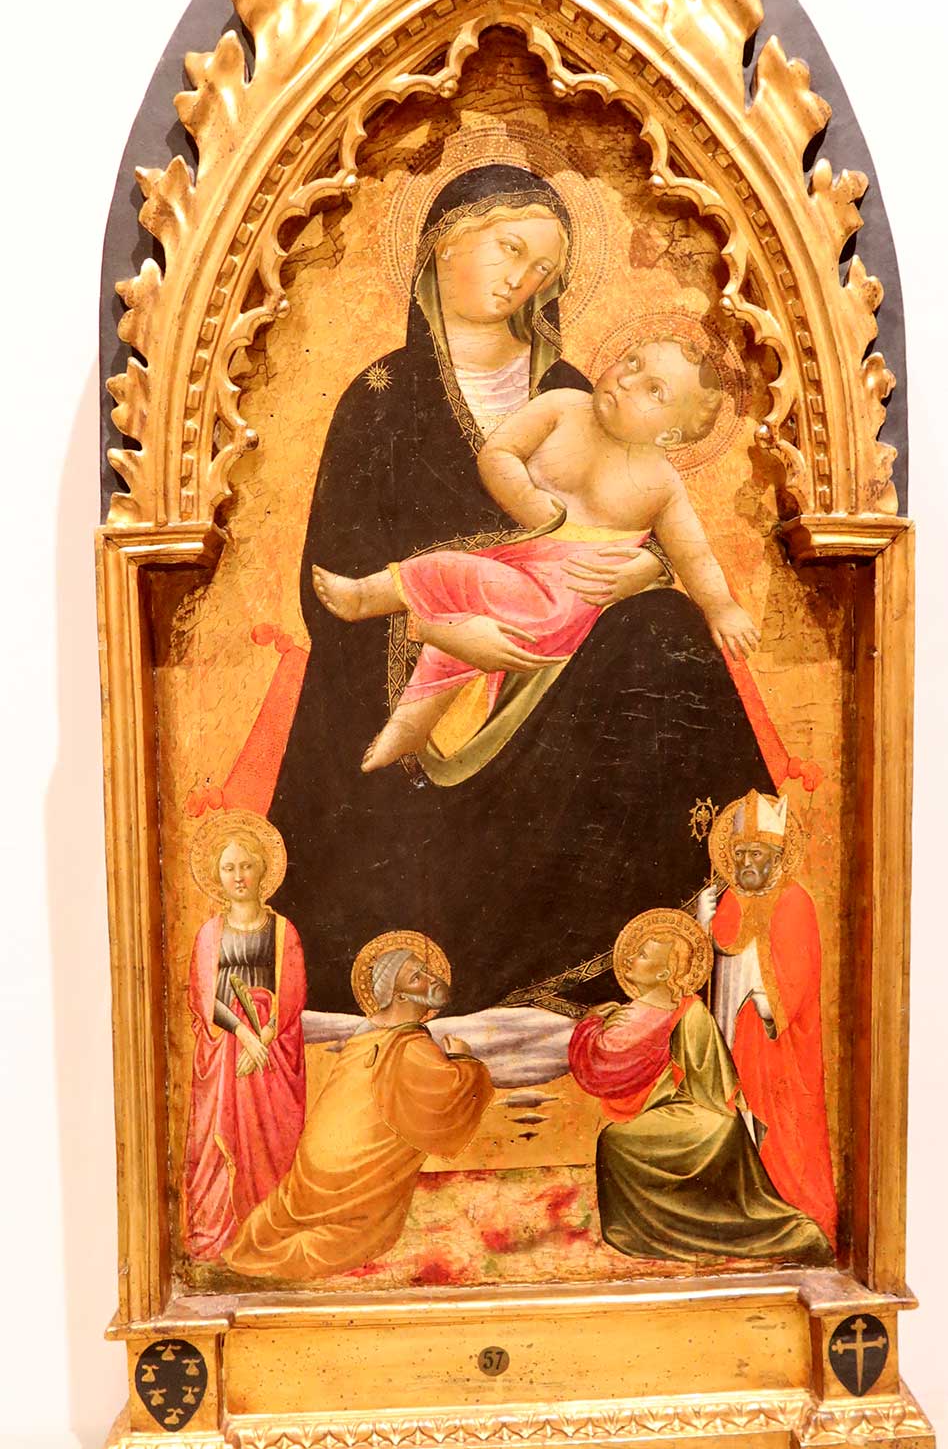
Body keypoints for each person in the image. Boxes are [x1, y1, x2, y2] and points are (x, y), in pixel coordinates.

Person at [267, 163, 775, 1014]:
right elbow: (332, 572)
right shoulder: (381, 398)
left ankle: (698, 913)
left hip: (559, 665)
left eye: (543, 269)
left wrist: (647, 571)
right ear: (442, 241)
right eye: (510, 249)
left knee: (667, 630)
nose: (521, 280)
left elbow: (642, 522)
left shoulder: (571, 388)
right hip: (424, 669)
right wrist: (443, 632)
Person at [314, 337, 759, 769]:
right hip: (518, 562)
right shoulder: (563, 406)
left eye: (654, 390)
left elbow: (693, 555)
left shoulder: (662, 485)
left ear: (672, 434)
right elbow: (499, 452)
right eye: (632, 362)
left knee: (450, 572)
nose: (626, 380)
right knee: (458, 629)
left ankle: (366, 598)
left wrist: (720, 606)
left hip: (558, 602)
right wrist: (526, 499)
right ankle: (411, 727)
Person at [568, 909, 831, 1263]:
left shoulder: (688, 1014)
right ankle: (651, 1227)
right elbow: (610, 1068)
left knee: (615, 1140)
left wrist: (589, 1026)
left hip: (703, 1118)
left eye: (642, 955)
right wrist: (596, 1026)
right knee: (615, 1139)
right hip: (678, 1112)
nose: (630, 958)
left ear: (664, 973)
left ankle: (658, 1229)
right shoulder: (639, 1011)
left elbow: (611, 1064)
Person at [226, 935, 493, 1281]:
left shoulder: (364, 1035)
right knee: (362, 1234)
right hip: (351, 1173)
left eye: (426, 970)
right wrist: (463, 1059)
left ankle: (265, 1235)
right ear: (399, 996)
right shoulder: (410, 1045)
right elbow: (453, 1096)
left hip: (313, 1166)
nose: (431, 979)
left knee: (289, 1212)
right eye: (417, 977)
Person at [701, 791, 837, 1248]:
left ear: (777, 856)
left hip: (776, 1042)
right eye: (740, 854)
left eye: (755, 854)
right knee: (735, 1115)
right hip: (734, 1031)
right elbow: (719, 958)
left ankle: (785, 1209)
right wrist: (704, 923)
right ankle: (743, 1206)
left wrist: (762, 1005)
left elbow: (798, 979)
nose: (746, 864)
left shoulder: (795, 901)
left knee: (780, 1129)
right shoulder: (730, 900)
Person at [182, 810, 306, 1262]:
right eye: (229, 867)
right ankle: (220, 1234)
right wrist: (244, 1035)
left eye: (246, 865)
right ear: (217, 876)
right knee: (218, 1141)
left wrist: (265, 1037)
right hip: (225, 1052)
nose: (238, 876)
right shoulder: (209, 933)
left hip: (272, 1052)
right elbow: (203, 994)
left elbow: (292, 991)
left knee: (270, 1139)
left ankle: (266, 1229)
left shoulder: (283, 930)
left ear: (262, 871)